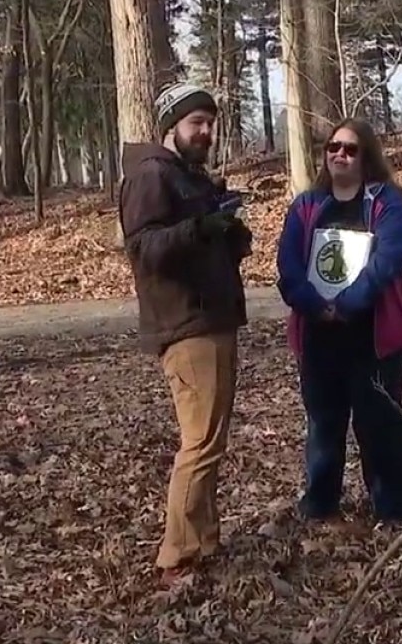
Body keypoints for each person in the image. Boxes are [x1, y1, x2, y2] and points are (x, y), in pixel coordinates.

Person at [118, 82, 252, 585]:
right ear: (170, 126)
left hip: (212, 318)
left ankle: (204, 541)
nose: (206, 132)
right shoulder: (151, 175)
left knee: (210, 440)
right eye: (196, 123)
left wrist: (229, 234)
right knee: (199, 443)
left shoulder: (187, 176)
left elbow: (195, 243)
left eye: (211, 123)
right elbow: (144, 250)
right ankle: (176, 556)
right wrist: (201, 228)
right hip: (186, 325)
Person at [275, 118, 402, 524]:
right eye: (333, 147)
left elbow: (391, 257)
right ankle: (321, 504)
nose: (340, 154)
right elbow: (288, 264)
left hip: (372, 337)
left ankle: (394, 508)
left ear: (366, 156)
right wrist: (313, 304)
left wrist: (349, 302)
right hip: (318, 336)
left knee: (380, 424)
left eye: (351, 149)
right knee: (323, 424)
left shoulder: (386, 202)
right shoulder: (306, 206)